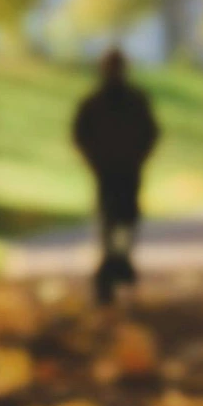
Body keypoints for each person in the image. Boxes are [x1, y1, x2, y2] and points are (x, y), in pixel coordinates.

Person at [72, 48, 159, 300]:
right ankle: (112, 265)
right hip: (107, 171)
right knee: (111, 218)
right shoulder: (93, 104)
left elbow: (149, 133)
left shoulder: (135, 101)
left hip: (128, 169)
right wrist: (95, 160)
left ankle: (118, 262)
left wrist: (138, 157)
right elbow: (81, 135)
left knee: (126, 218)